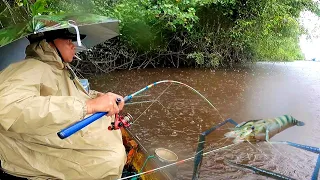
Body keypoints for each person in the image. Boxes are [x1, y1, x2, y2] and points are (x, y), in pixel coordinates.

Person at [0, 29, 126, 180]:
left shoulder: (59, 68)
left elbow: (66, 94)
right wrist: (88, 106)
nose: (73, 46)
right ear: (48, 43)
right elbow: (7, 107)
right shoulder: (30, 67)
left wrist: (99, 97)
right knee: (109, 160)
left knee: (111, 146)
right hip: (29, 152)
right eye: (68, 41)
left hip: (48, 138)